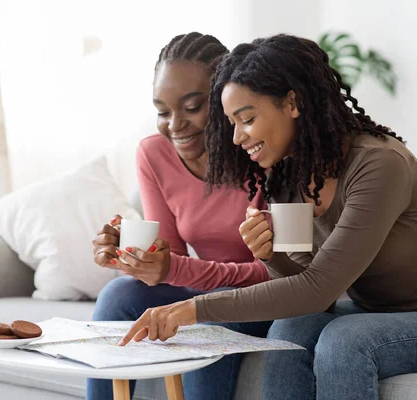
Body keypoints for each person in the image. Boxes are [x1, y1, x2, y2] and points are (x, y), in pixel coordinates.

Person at [118, 34, 417, 400]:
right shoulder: (288, 173)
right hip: (375, 313)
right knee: (293, 327)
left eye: (247, 119)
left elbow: (319, 288)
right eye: (231, 124)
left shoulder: (379, 165)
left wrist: (193, 309)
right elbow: (311, 296)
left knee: (344, 341)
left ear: (292, 102)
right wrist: (271, 255)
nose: (237, 138)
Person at [87, 32, 273, 400]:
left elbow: (275, 272)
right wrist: (132, 256)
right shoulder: (154, 154)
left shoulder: (262, 150)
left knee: (211, 311)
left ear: (226, 98)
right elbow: (170, 259)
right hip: (205, 289)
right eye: (162, 111)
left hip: (260, 297)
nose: (174, 125)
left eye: (191, 107)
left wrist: (173, 271)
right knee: (118, 295)